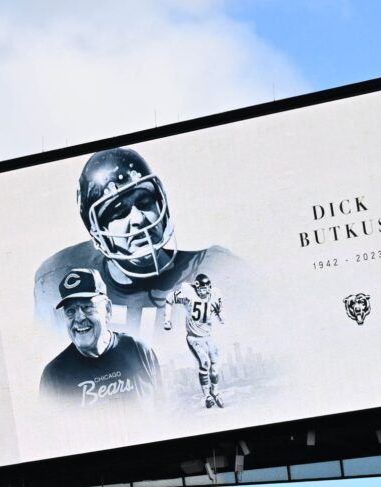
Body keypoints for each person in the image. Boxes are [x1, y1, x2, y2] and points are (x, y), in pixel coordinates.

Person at [34, 147, 243, 343]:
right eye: (119, 212)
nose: (138, 218)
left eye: (144, 203)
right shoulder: (57, 279)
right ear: (97, 235)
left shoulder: (214, 269)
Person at [39, 268, 160, 411]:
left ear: (108, 310)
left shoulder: (139, 351)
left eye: (87, 307)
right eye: (70, 311)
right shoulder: (54, 376)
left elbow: (162, 413)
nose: (79, 318)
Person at [162, 272, 225, 409]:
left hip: (208, 336)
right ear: (196, 288)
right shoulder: (188, 295)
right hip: (194, 337)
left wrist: (220, 316)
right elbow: (169, 298)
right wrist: (167, 320)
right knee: (205, 362)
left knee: (214, 368)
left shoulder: (214, 295)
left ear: (209, 287)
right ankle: (207, 396)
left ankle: (215, 391)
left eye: (206, 288)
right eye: (201, 289)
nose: (203, 292)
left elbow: (218, 308)